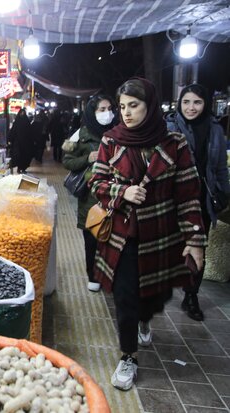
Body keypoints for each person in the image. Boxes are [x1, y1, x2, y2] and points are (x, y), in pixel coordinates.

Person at [89, 78, 206, 391]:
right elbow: (96, 183)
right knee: (125, 297)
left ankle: (145, 318)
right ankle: (128, 356)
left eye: (134, 106)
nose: (126, 113)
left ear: (150, 105)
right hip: (123, 236)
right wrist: (122, 192)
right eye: (122, 106)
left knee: (156, 296)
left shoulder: (175, 144)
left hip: (161, 236)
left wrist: (195, 240)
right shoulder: (110, 141)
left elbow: (188, 193)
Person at [166, 84, 230, 321]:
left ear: (205, 105)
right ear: (179, 103)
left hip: (203, 199)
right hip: (172, 199)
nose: (191, 108)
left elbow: (220, 167)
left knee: (197, 248)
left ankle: (191, 295)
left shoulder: (215, 130)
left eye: (197, 103)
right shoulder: (168, 127)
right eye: (186, 102)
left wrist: (223, 194)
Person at [62, 94, 116, 292]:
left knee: (113, 238)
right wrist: (88, 158)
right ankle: (92, 275)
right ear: (92, 112)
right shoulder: (81, 134)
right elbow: (67, 161)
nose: (107, 113)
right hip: (90, 197)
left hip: (116, 194)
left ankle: (110, 274)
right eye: (101, 110)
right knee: (92, 238)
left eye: (109, 108)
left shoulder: (119, 131)